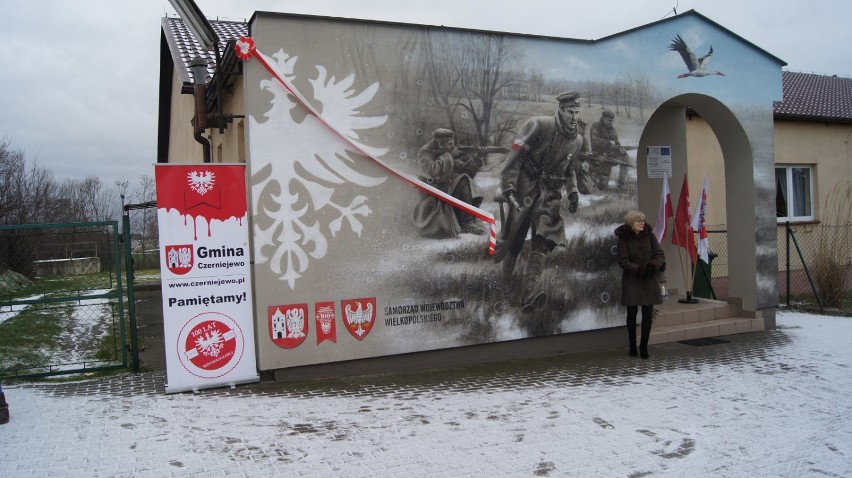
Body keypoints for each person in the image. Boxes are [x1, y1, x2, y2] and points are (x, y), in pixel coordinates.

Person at [495, 91, 586, 314]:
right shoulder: (539, 125)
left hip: (550, 194)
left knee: (543, 241)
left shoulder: (577, 140)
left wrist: (573, 191)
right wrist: (508, 187)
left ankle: (529, 296)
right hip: (526, 186)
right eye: (570, 112)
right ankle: (504, 284)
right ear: (561, 110)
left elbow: (570, 169)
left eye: (577, 112)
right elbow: (514, 157)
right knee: (514, 239)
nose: (574, 117)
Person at [412, 128, 486, 238]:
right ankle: (464, 224)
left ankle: (467, 223)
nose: (453, 147)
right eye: (450, 144)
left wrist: (476, 160)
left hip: (444, 186)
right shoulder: (425, 152)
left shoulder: (444, 151)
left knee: (464, 179)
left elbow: (460, 167)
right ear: (441, 144)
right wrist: (448, 156)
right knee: (463, 179)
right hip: (430, 190)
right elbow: (432, 172)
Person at [615, 210, 665, 358]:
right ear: (631, 223)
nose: (642, 223)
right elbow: (623, 260)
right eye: (639, 221)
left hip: (649, 279)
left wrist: (653, 266)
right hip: (632, 280)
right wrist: (639, 269)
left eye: (643, 220)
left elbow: (659, 254)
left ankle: (644, 347)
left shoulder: (649, 235)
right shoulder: (624, 238)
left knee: (647, 312)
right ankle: (632, 346)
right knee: (631, 312)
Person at [579, 109, 631, 193]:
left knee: (625, 157)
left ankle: (620, 185)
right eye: (609, 120)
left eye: (612, 121)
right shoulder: (596, 127)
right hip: (598, 157)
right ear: (603, 118)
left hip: (610, 156)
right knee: (602, 187)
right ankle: (593, 178)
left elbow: (617, 142)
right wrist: (608, 142)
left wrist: (621, 149)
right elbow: (595, 141)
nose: (611, 122)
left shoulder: (612, 130)